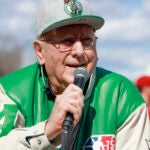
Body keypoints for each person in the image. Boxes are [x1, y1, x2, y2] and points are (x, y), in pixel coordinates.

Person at [0, 0, 149, 149]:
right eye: (67, 41)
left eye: (87, 40)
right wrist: (47, 131)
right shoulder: (10, 91)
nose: (79, 51)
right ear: (39, 51)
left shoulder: (121, 94)